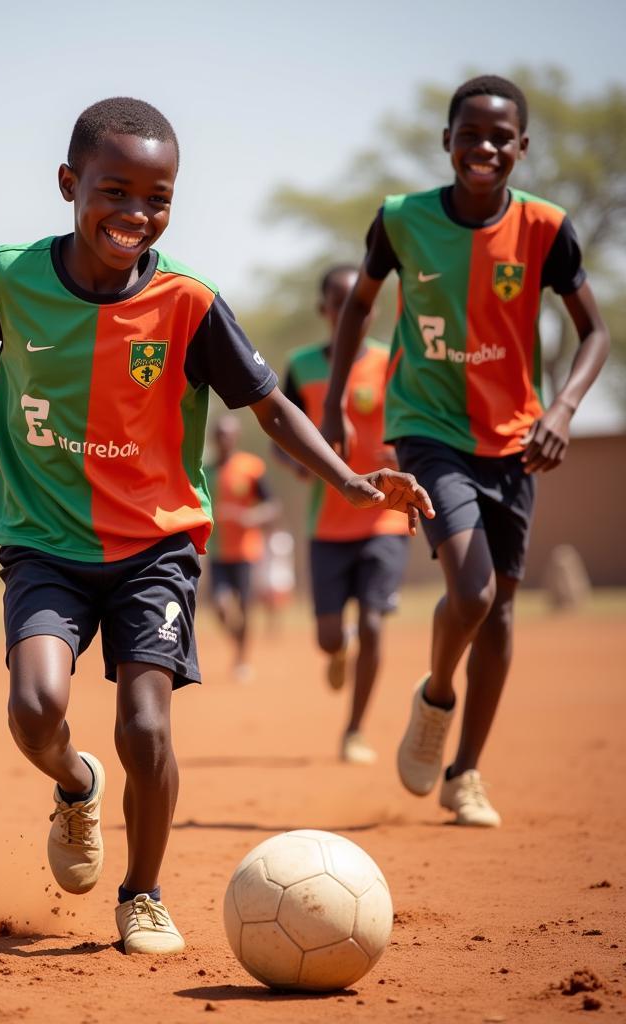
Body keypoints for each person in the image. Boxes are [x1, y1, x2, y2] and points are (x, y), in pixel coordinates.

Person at [0, 97, 432, 953]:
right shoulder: (9, 275)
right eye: (116, 191)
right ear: (70, 185)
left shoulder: (189, 302)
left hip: (156, 545)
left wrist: (353, 480)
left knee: (146, 724)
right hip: (45, 541)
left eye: (158, 197)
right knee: (35, 708)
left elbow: (271, 407)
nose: (136, 214)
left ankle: (143, 892)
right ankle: (76, 787)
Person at [321, 76, 609, 825]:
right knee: (473, 593)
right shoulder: (401, 221)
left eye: (499, 137)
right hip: (428, 426)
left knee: (502, 614)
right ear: (446, 141)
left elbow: (595, 334)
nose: (484, 148)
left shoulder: (547, 228)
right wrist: (329, 406)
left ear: (520, 147)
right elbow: (359, 306)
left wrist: (565, 410)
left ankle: (466, 774)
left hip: (516, 439)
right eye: (469, 134)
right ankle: (437, 695)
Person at [282, 265, 410, 764]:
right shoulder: (301, 366)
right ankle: (338, 650)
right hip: (327, 524)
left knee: (376, 623)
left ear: (371, 307)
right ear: (324, 310)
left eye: (358, 301)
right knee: (329, 636)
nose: (348, 311)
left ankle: (354, 730)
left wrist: (405, 457)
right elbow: (283, 431)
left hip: (385, 518)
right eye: (338, 302)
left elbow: (415, 420)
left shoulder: (391, 360)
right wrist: (295, 461)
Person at [206, 414, 278, 680]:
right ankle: (236, 638)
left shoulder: (251, 468)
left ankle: (241, 659)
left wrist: (251, 517)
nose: (225, 440)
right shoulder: (205, 470)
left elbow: (271, 505)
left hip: (246, 551)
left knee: (246, 607)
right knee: (221, 605)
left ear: (236, 437)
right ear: (215, 438)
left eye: (229, 434)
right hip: (217, 550)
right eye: (220, 435)